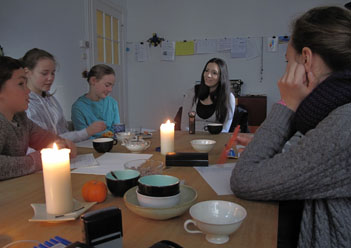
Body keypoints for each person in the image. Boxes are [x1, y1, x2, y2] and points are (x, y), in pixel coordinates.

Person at [230, 6, 351, 248]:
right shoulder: (330, 111)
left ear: (306, 59)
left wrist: (287, 102)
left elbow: (244, 180)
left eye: (288, 61)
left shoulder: (344, 123)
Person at [0, 56, 76, 180]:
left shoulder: (20, 118)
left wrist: (62, 143)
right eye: (20, 84)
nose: (28, 91)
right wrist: (39, 159)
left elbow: (43, 138)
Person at [22, 48, 106, 143]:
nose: (50, 78)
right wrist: (87, 132)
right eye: (44, 73)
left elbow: (62, 131)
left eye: (53, 73)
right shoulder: (26, 105)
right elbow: (43, 141)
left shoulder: (51, 100)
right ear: (27, 72)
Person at [181, 58, 235, 132]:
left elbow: (225, 129)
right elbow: (184, 126)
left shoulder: (229, 97)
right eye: (206, 71)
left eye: (214, 73)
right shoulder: (192, 92)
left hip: (216, 140)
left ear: (221, 77)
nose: (208, 75)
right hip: (192, 139)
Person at [71, 64, 120, 138]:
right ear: (93, 81)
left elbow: (117, 132)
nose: (110, 90)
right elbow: (82, 137)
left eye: (112, 86)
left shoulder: (112, 103)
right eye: (107, 85)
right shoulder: (78, 108)